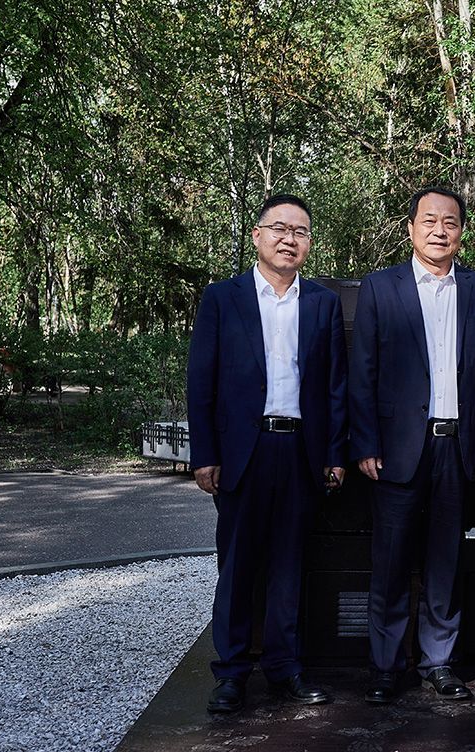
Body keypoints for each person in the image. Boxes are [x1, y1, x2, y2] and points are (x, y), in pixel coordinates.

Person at [187, 193, 348, 713]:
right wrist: (204, 453)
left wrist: (334, 454)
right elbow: (201, 381)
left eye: (300, 231)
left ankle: (284, 667)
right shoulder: (222, 298)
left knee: (289, 565)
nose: (289, 239)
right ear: (257, 235)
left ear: (309, 243)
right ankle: (232, 672)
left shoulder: (321, 303)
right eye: (279, 228)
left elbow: (335, 386)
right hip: (243, 451)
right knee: (237, 566)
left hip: (300, 450)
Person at [348, 187, 475, 704]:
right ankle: (386, 666)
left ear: (462, 232)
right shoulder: (380, 287)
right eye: (429, 220)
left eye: (450, 222)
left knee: (446, 561)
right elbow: (362, 371)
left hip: (458, 449)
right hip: (395, 449)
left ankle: (439, 661)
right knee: (391, 562)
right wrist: (365, 442)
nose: (440, 230)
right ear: (411, 228)